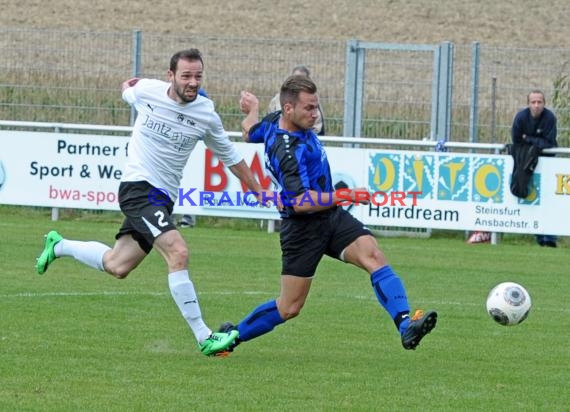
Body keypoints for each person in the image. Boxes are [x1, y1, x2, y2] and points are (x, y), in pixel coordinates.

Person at [35, 48, 269, 356]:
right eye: (186, 76)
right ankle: (205, 337)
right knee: (178, 250)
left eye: (198, 76)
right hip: (138, 187)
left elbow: (232, 157)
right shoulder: (148, 91)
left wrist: (258, 190)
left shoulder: (206, 114)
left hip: (163, 199)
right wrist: (128, 86)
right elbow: (128, 89)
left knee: (117, 265)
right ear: (170, 76)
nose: (192, 82)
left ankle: (59, 245)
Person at [212, 75, 437, 356]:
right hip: (302, 228)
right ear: (289, 109)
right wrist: (347, 195)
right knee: (290, 307)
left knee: (373, 255)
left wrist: (253, 109)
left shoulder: (271, 121)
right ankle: (232, 337)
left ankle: (406, 326)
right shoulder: (287, 151)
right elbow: (301, 202)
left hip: (330, 217)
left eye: (316, 107)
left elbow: (249, 131)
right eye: (309, 108)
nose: (315, 114)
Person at [511, 89, 558, 247]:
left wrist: (528, 138)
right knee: (531, 198)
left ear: (544, 104)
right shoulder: (520, 117)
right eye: (533, 102)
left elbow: (549, 143)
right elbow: (516, 140)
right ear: (528, 103)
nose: (536, 105)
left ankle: (549, 239)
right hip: (526, 163)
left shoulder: (550, 118)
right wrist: (535, 142)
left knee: (548, 199)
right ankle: (538, 235)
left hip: (547, 163)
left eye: (540, 102)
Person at [267, 65, 326, 136]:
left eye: (302, 79)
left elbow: (318, 129)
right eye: (295, 78)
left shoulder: (313, 100)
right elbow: (269, 121)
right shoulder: (277, 99)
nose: (297, 82)